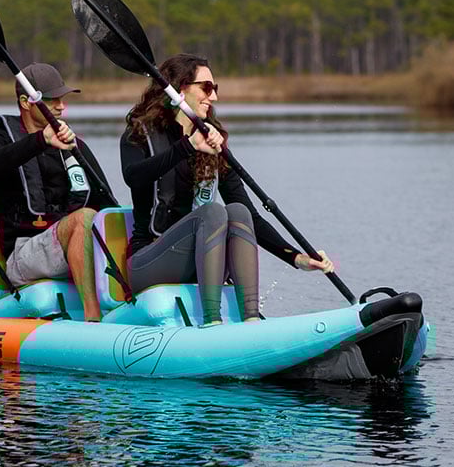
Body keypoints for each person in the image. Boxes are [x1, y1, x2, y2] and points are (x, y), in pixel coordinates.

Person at [120, 53, 334, 327]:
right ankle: (212, 322)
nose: (214, 97)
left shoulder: (214, 141)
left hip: (200, 260)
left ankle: (251, 320)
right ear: (180, 88)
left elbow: (251, 217)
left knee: (236, 211)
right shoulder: (138, 133)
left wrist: (297, 257)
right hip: (148, 261)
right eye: (206, 88)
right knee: (212, 213)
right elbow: (133, 177)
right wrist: (187, 146)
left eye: (215, 89)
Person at [0, 63, 116, 322]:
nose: (62, 107)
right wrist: (40, 141)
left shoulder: (73, 145)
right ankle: (93, 319)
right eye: (52, 100)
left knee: (105, 220)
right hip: (22, 255)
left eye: (62, 99)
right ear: (26, 102)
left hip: (67, 245)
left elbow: (107, 203)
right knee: (84, 218)